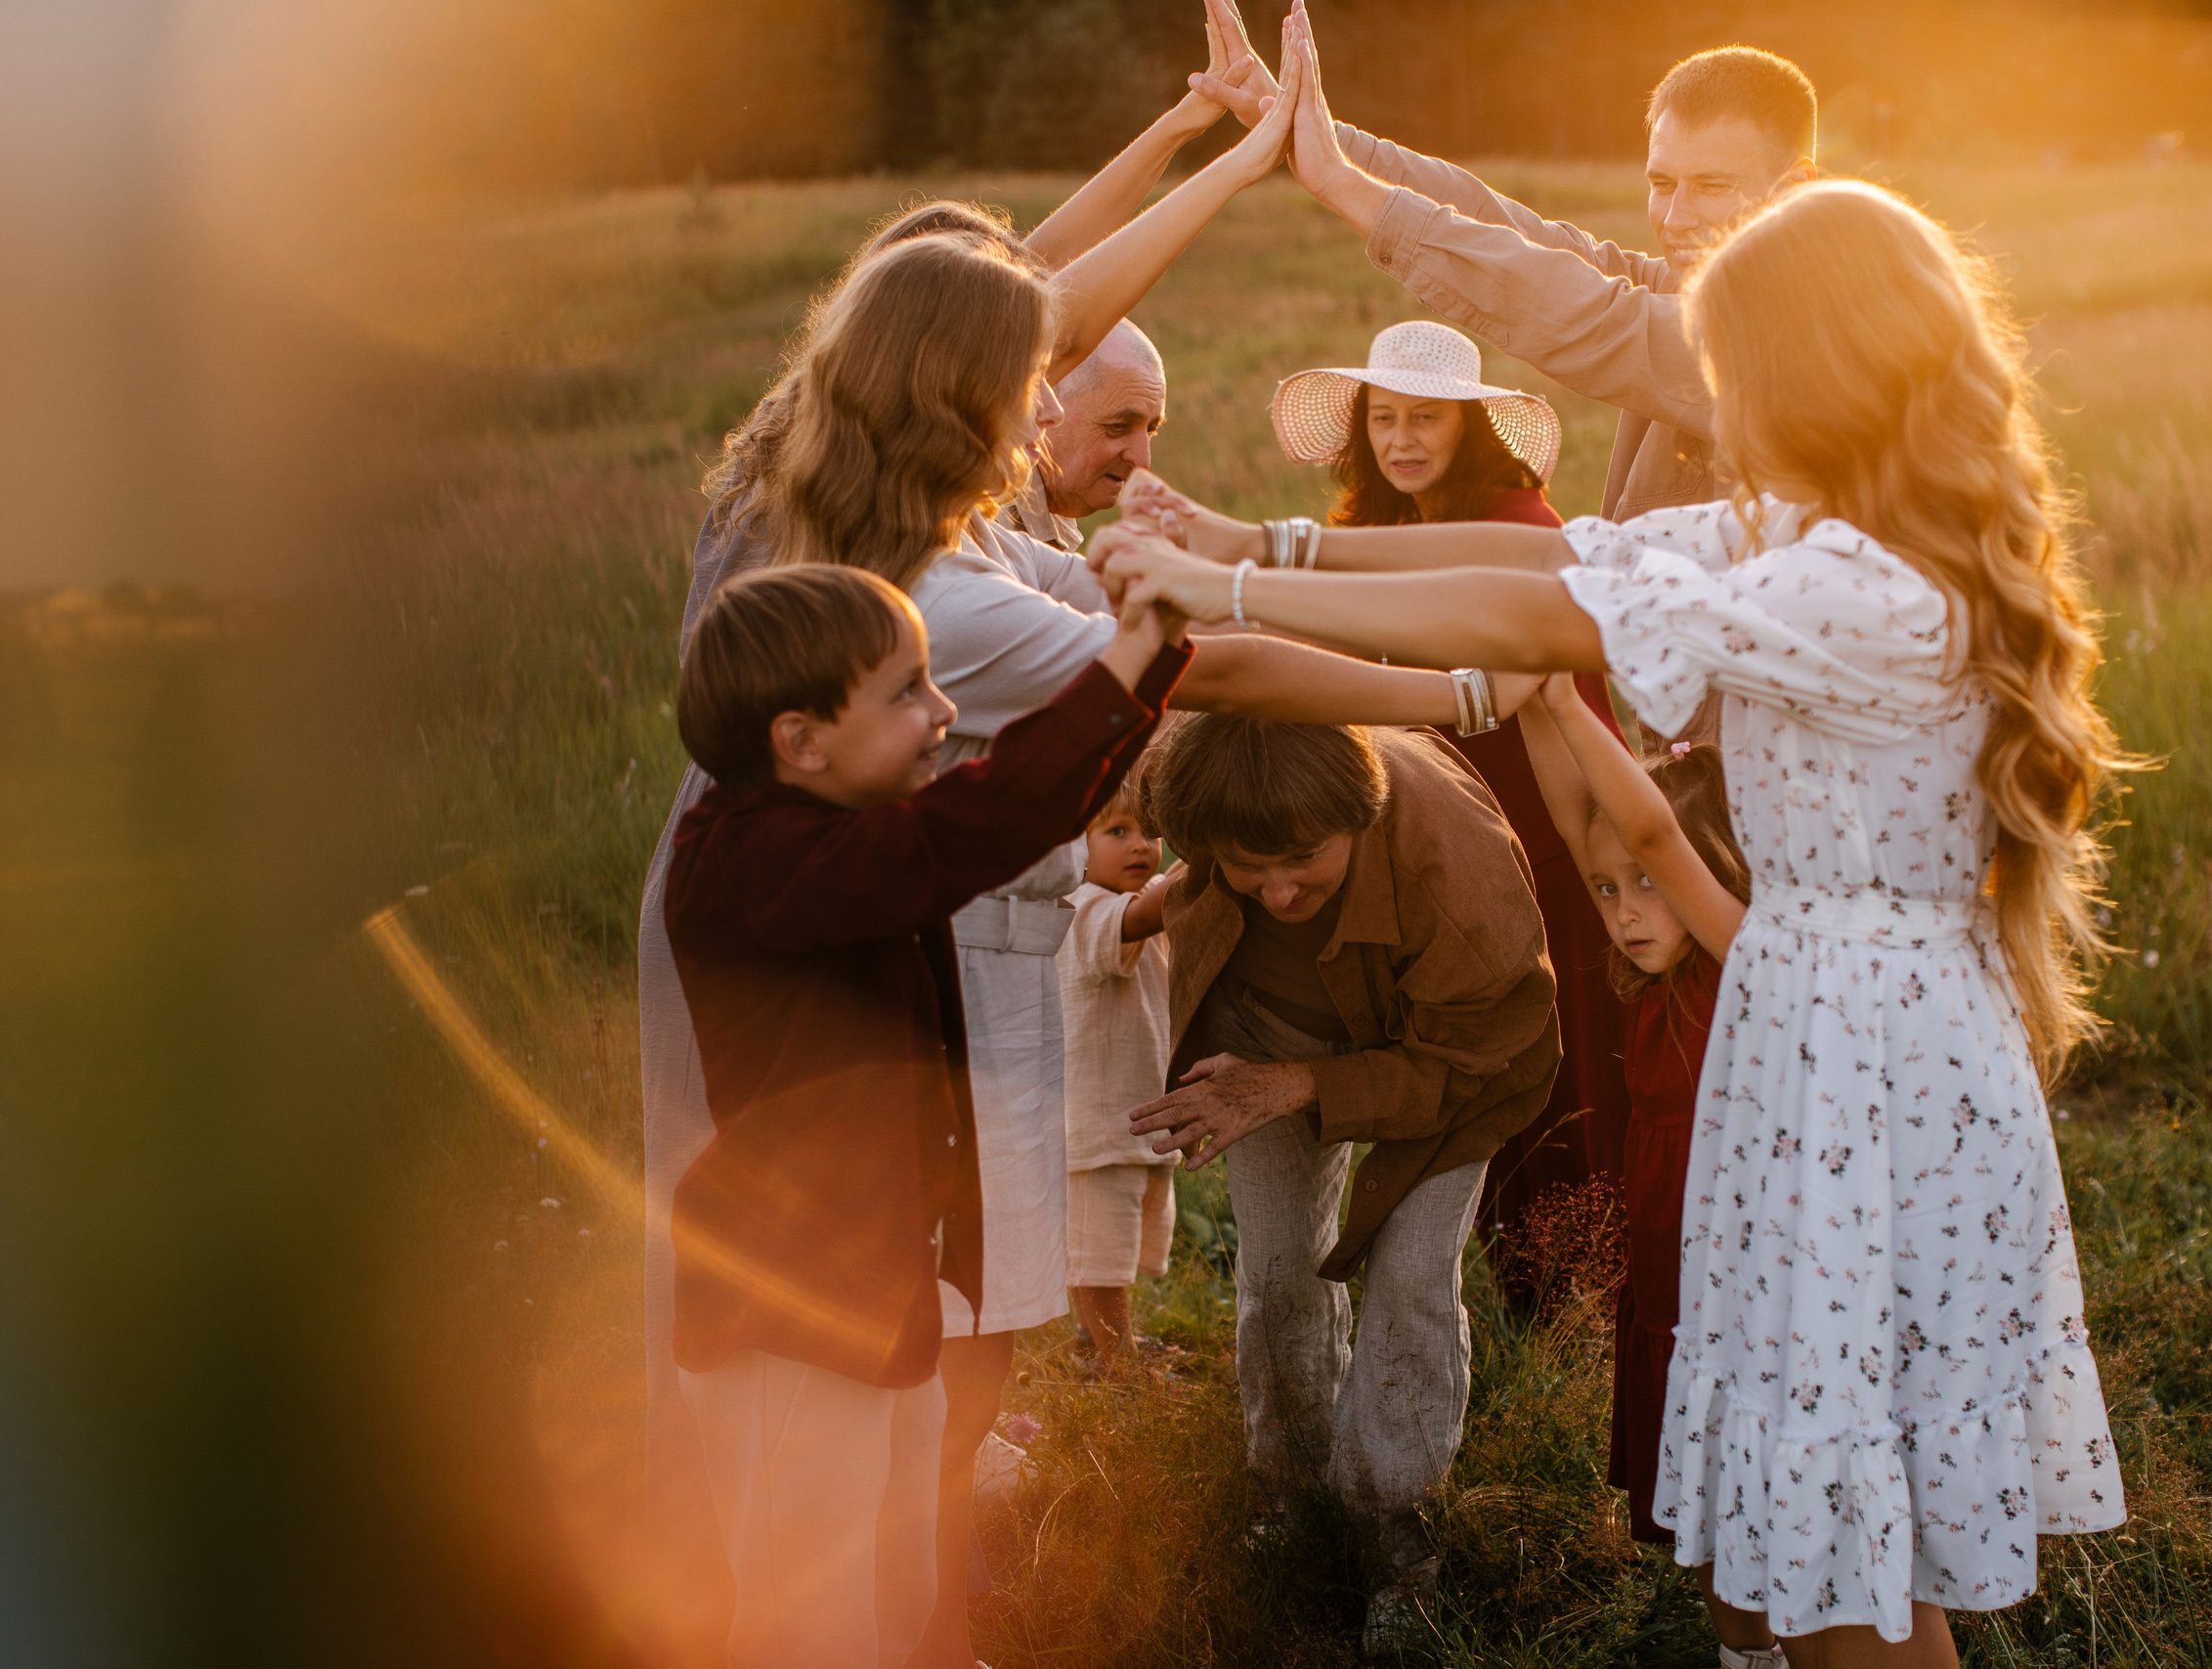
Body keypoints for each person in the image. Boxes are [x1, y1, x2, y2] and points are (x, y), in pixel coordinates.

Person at [1094, 177, 2131, 1662]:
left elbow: (1540, 620)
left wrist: (1225, 583)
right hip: (1812, 1025)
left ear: (1810, 374)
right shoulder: (1818, 528)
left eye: (1732, 366)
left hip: (1865, 1064)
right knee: (1790, 1518)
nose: (1714, 399)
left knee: (1849, 1545)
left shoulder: (1865, 582)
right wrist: (1262, 541)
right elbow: (1551, 554)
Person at [638, 48, 1539, 1663]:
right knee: (835, 1323)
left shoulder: (815, 452)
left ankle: (901, 1597)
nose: (1046, 403)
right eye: (1031, 388)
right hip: (826, 927)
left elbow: (1009, 294)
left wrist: (1209, 140)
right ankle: (841, 1603)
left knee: (878, 1297)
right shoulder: (931, 596)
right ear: (969, 403)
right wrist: (1460, 690)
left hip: (828, 905)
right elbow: (1166, 690)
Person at [660, 561, 1188, 1669]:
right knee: (809, 1628)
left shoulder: (833, 834)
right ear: (800, 739)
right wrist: (1130, 655)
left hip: (874, 1294)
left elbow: (1001, 816)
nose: (944, 710)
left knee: (893, 1600)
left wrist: (1151, 659)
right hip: (793, 1316)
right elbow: (974, 826)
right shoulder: (754, 859)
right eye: (908, 691)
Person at [1127, 713, 1559, 1655]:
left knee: (1410, 1278)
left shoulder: (1456, 863)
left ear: (1359, 816)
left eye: (1305, 860)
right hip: (1262, 1031)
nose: (1280, 892)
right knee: (1277, 1270)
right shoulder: (1207, 793)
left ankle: (1398, 1532)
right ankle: (1294, 1490)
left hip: (1448, 1064)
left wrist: (1304, 1084)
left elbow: (1476, 1049)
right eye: (1248, 868)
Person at [1272, 317, 1635, 1278]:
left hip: (1540, 837)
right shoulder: (1383, 528)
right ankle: (1509, 1276)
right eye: (1383, 418)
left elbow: (1565, 707)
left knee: (1555, 1072)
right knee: (1462, 1058)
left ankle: (1579, 1291)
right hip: (1435, 841)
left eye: (1425, 418)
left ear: (1469, 425)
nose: (1401, 440)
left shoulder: (1523, 530)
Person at [1195, 0, 1817, 519]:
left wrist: (1341, 184)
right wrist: (1313, 133)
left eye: (1713, 186)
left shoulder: (1799, 333)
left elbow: (1587, 313)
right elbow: (1521, 234)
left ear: (1792, 189)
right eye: (1662, 183)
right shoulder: (1690, 286)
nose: (1675, 218)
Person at [1518, 677, 1779, 1668]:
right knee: (1705, 1486)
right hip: (1673, 1281)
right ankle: (1744, 1653)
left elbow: (1647, 830)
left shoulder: (1740, 964)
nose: (1624, 913)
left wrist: (1566, 703)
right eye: (1605, 892)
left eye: (1648, 884)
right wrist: (1532, 694)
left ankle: (1798, 1629)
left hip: (1753, 1285)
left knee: (1764, 1470)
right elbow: (1575, 818)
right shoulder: (1648, 972)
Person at [1056, 782, 1180, 1369]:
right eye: (1117, 831)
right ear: (1074, 848)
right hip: (1099, 1128)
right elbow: (1152, 908)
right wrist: (1210, 852)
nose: (1140, 846)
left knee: (1118, 1245)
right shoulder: (1082, 907)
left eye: (1151, 833)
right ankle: (1118, 1360)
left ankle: (1098, 1341)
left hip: (1136, 1121)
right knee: (1098, 1256)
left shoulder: (1135, 902)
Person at [999, 320, 1169, 553]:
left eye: (1150, 431)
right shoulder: (986, 519)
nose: (1141, 461)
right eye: (1117, 427)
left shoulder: (1047, 521)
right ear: (1046, 404)